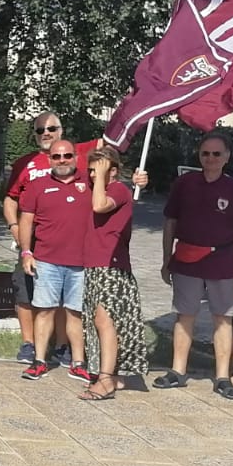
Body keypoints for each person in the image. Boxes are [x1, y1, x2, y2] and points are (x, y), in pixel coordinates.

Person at [5, 111, 149, 365]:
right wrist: (15, 229)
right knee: (28, 297)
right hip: (35, 244)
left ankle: (65, 348)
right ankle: (30, 346)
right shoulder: (25, 164)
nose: (46, 133)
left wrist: (135, 181)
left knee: (71, 306)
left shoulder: (82, 157)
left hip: (78, 251)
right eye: (40, 130)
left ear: (62, 132)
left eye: (51, 128)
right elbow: (11, 199)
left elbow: (109, 164)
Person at [157, 132, 233, 400]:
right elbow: (170, 223)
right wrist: (166, 259)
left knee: (223, 318)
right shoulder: (185, 184)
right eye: (205, 153)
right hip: (187, 259)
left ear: (227, 157)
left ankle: (222, 377)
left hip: (223, 261)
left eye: (216, 154)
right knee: (184, 315)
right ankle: (177, 371)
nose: (210, 158)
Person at [17, 137, 94, 383]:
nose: (62, 160)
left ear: (76, 158)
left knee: (75, 313)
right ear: (49, 159)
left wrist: (138, 182)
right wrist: (26, 252)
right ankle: (39, 361)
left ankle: (78, 363)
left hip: (81, 262)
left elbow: (114, 189)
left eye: (67, 156)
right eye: (57, 156)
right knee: (44, 311)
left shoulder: (90, 182)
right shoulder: (37, 185)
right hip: (46, 260)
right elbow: (26, 220)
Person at [79, 144, 148, 401]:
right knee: (96, 320)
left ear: (114, 171)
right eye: (91, 171)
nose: (93, 175)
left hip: (111, 264)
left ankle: (106, 378)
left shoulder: (118, 189)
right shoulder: (95, 187)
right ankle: (108, 372)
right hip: (94, 264)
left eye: (99, 170)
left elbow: (100, 206)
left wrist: (106, 175)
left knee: (104, 319)